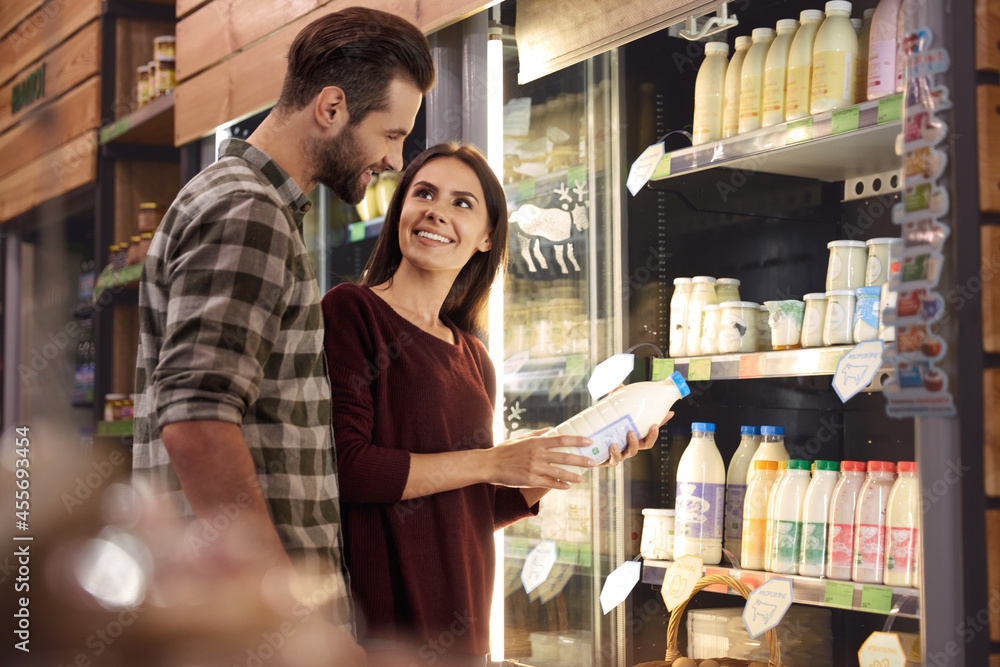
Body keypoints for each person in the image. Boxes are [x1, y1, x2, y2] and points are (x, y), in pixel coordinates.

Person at [131, 6, 435, 653]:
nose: (393, 159)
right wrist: (286, 612)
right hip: (241, 628)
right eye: (391, 133)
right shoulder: (250, 212)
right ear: (330, 108)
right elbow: (196, 422)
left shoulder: (239, 199)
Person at [321, 143, 669, 666]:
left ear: (487, 237)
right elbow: (347, 469)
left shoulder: (472, 356)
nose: (436, 209)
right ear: (400, 212)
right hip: (382, 632)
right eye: (424, 193)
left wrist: (567, 459)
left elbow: (468, 510)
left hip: (462, 629)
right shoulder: (352, 311)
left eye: (463, 202)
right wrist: (494, 461)